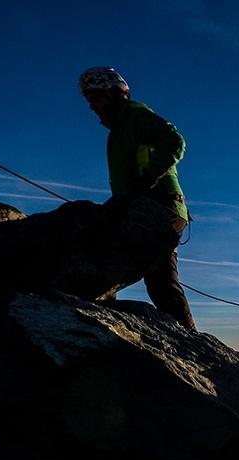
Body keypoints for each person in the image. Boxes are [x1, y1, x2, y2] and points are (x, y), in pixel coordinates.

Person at [78, 66, 196, 330]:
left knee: (160, 279)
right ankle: (189, 338)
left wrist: (149, 179)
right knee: (159, 278)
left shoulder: (137, 117)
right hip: (149, 207)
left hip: (161, 206)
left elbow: (174, 141)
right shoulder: (119, 131)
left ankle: (191, 340)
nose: (92, 107)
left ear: (113, 94)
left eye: (94, 99)